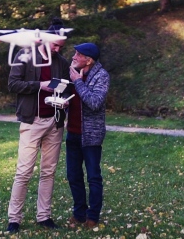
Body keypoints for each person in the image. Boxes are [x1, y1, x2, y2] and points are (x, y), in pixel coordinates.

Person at [5, 19, 71, 234]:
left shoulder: (61, 62)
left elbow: (66, 86)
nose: (58, 49)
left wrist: (64, 99)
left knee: (49, 172)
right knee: (24, 172)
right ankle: (14, 219)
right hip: (32, 121)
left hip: (55, 121)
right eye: (55, 45)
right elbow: (12, 84)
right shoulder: (25, 55)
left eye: (61, 46)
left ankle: (44, 216)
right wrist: (38, 85)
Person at [65, 42, 110, 229]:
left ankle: (92, 217)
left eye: (78, 54)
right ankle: (79, 213)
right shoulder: (75, 72)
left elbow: (94, 102)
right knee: (73, 176)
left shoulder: (102, 76)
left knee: (93, 177)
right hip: (72, 133)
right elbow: (75, 99)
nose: (74, 56)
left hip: (90, 136)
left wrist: (77, 82)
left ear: (88, 60)